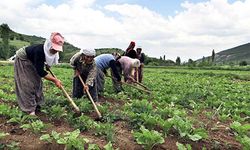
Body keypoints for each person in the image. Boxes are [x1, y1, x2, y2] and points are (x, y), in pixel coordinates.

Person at [14, 32, 64, 115]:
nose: (55, 51)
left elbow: (47, 61)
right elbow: (41, 72)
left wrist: (48, 66)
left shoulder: (53, 52)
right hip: (23, 59)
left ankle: (37, 105)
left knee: (37, 82)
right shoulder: (39, 51)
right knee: (27, 84)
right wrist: (55, 80)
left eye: (57, 50)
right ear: (49, 45)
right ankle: (29, 109)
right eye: (54, 49)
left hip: (33, 59)